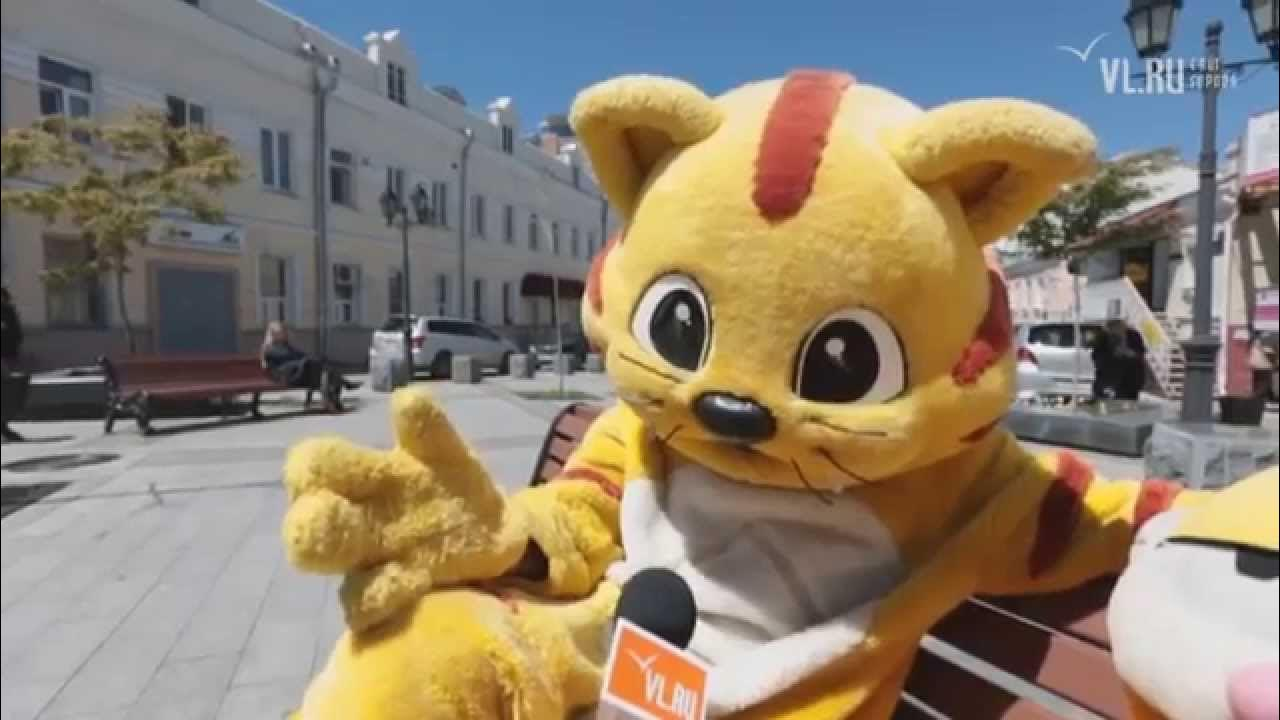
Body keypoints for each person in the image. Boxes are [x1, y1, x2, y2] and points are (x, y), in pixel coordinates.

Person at [259, 322, 359, 413]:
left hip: (298, 372)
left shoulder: (286, 346)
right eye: (280, 333)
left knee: (327, 372)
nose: (283, 334)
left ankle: (335, 403)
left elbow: (300, 355)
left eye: (283, 332)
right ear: (272, 334)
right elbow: (285, 358)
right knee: (318, 366)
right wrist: (303, 360)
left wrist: (303, 359)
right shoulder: (268, 348)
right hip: (286, 375)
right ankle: (340, 390)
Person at [1, 287, 28, 442]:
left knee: (7, 392)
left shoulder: (8, 311)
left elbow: (16, 333)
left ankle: (3, 426)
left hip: (7, 355)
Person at [1109, 319, 1147, 401]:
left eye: (1118, 327)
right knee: (1119, 400)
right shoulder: (1111, 337)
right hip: (1118, 377)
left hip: (1133, 376)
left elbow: (1142, 351)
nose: (1116, 331)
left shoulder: (1134, 335)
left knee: (1131, 399)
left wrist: (1131, 353)